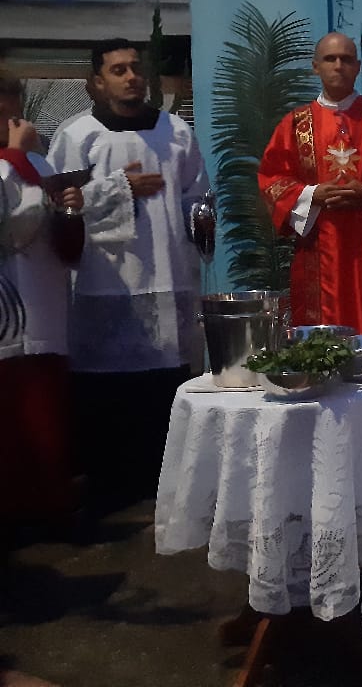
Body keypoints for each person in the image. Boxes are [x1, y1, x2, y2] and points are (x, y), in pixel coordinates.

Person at [46, 39, 212, 507]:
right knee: (107, 385)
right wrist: (121, 187)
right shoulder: (77, 134)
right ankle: (109, 485)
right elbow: (58, 203)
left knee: (165, 381)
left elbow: (197, 196)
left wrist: (203, 219)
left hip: (168, 271)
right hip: (103, 280)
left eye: (136, 67)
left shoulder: (176, 131)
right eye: (118, 70)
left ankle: (166, 481)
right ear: (97, 82)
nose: (131, 77)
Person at [259, 32, 362, 334]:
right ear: (315, 67)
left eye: (346, 59)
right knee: (318, 337)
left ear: (357, 67)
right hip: (316, 246)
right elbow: (272, 178)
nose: (338, 66)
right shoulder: (296, 123)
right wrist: (312, 194)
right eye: (329, 59)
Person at [0, 77, 83, 525]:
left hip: (43, 308)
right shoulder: (18, 160)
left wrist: (70, 209)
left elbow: (61, 243)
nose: (11, 122)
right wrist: (15, 156)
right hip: (7, 313)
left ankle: (51, 506)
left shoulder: (33, 161)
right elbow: (11, 229)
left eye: (14, 112)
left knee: (45, 417)